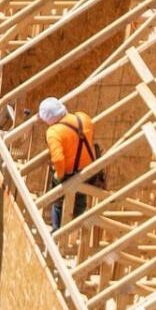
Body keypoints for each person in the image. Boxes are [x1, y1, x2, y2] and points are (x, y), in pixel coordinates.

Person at [40, 96, 105, 232]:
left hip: (71, 173)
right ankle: (76, 226)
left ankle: (57, 231)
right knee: (80, 198)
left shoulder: (54, 132)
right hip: (90, 170)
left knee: (58, 200)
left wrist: (59, 175)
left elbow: (58, 159)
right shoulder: (83, 118)